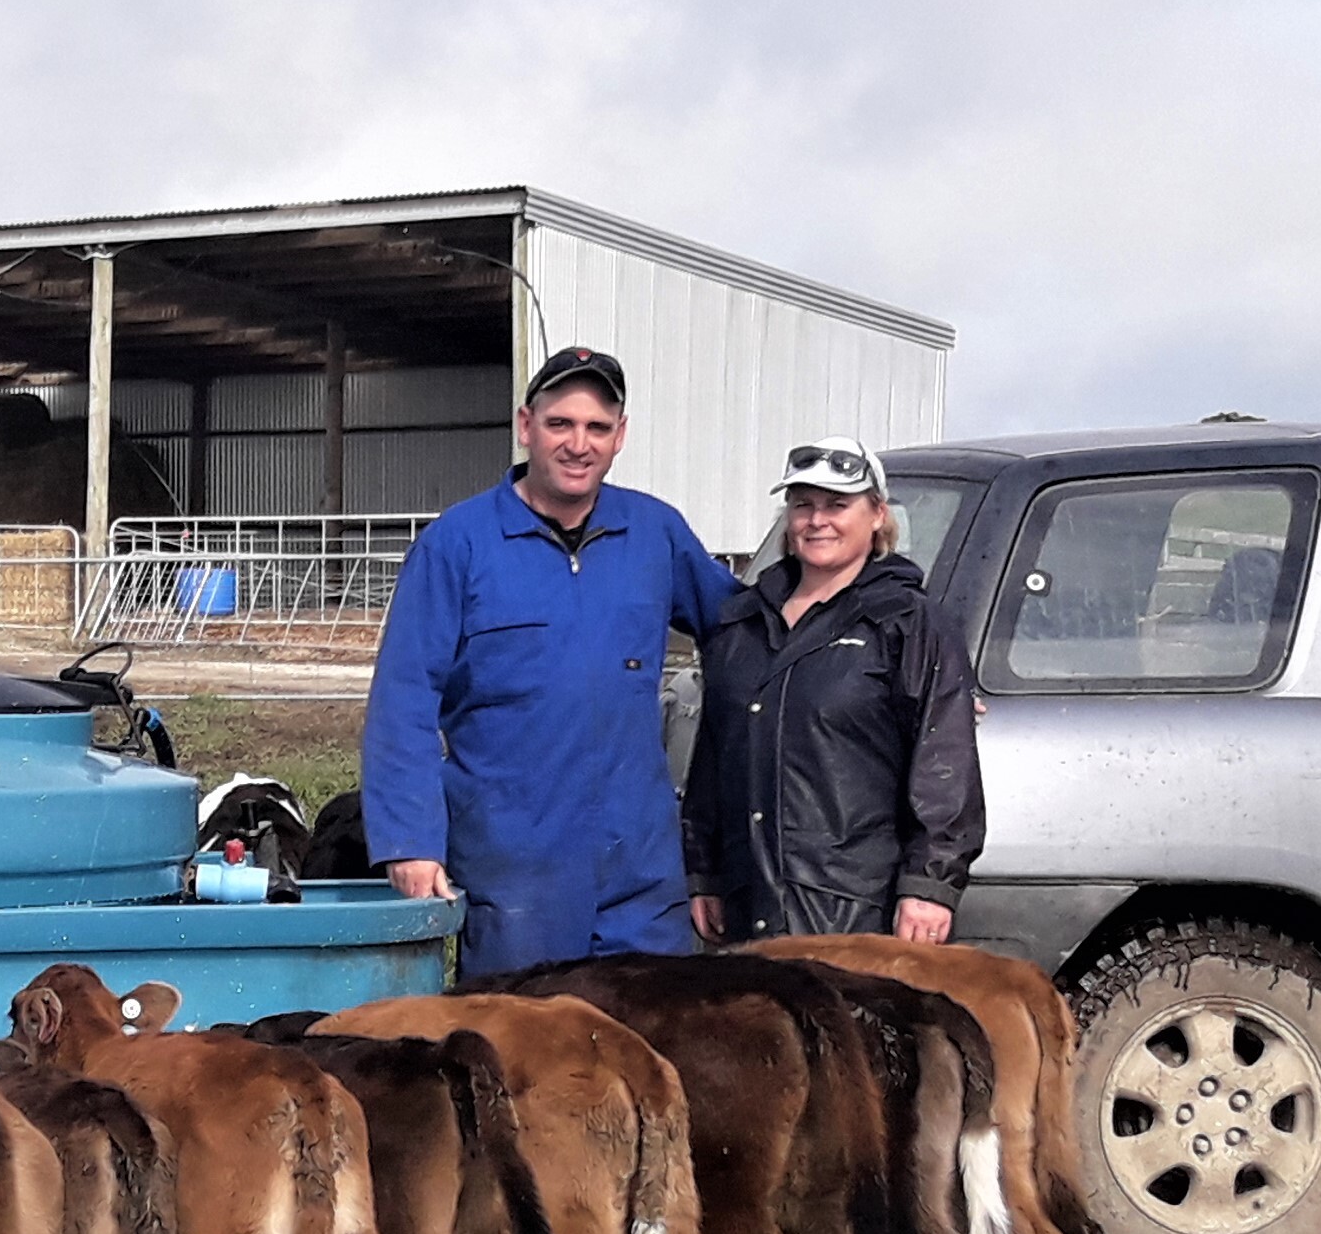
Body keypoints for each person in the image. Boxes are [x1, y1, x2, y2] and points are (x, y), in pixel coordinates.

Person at [362, 345, 740, 977]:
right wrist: (411, 840)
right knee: (526, 1056)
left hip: (640, 871)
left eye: (597, 427)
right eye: (560, 424)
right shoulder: (458, 544)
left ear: (621, 436)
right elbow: (405, 699)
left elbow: (744, 631)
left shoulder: (654, 533)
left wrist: (901, 649)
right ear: (525, 426)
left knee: (654, 1052)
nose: (578, 444)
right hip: (517, 873)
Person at [684, 436, 983, 943]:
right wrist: (704, 872)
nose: (817, 520)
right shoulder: (741, 625)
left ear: (877, 516)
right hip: (747, 897)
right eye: (803, 505)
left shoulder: (909, 623)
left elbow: (944, 760)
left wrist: (930, 886)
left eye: (837, 505)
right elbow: (712, 759)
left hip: (854, 908)